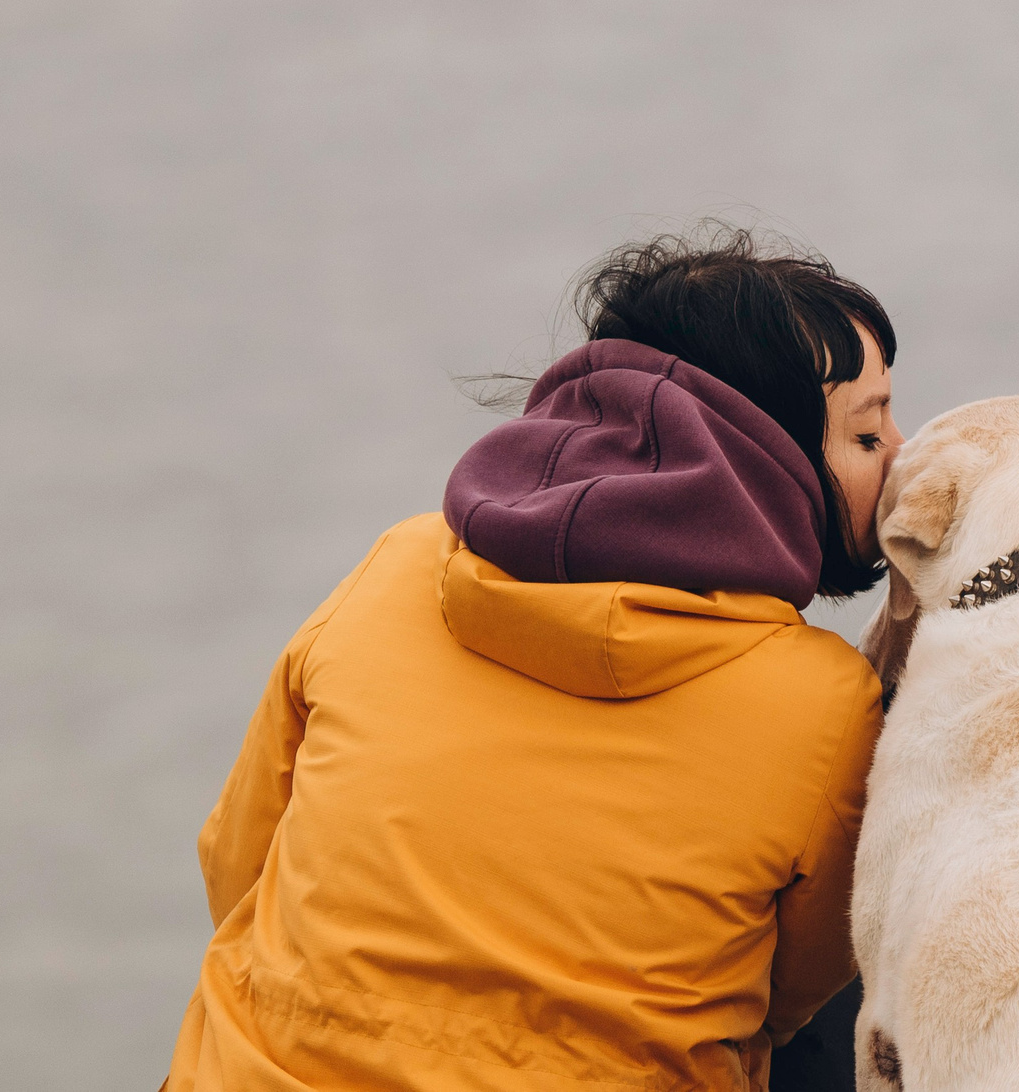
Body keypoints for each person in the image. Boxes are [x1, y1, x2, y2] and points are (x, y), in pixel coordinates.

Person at [164, 228, 902, 1092]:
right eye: (866, 435)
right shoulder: (823, 704)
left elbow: (239, 865)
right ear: (766, 463)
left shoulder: (400, 565)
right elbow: (795, 989)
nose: (905, 454)